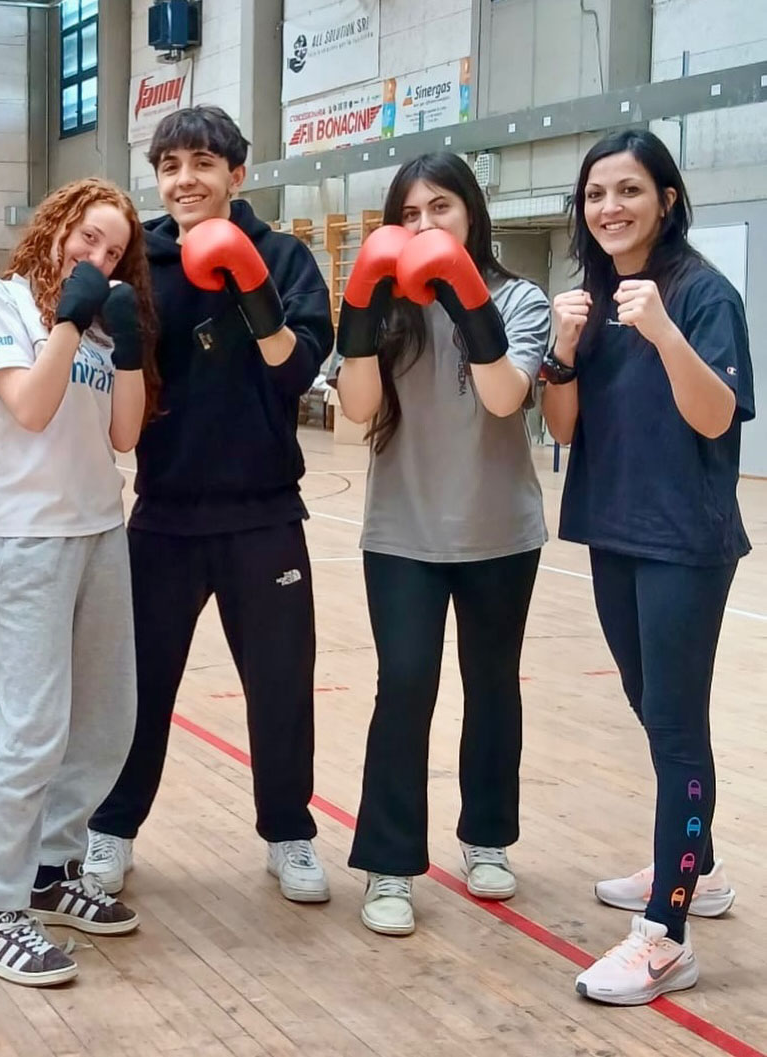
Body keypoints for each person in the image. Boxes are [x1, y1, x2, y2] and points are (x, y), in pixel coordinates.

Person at [85, 106, 335, 905]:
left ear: (237, 172)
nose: (184, 179)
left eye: (201, 162)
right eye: (170, 167)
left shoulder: (284, 257)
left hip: (265, 512)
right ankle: (111, 827)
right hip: (163, 513)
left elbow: (298, 373)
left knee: (281, 682)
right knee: (136, 683)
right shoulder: (139, 263)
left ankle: (289, 833)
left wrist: (249, 283)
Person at [543, 129, 753, 1005]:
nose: (610, 208)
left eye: (628, 190)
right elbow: (562, 429)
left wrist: (664, 332)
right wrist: (560, 350)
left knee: (674, 727)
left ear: (666, 199)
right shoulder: (592, 298)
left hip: (684, 542)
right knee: (652, 708)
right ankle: (694, 866)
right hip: (613, 530)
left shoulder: (703, 294)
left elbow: (716, 417)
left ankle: (668, 933)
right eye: (596, 194)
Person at [335, 152, 550, 937]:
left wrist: (465, 297)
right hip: (403, 532)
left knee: (492, 684)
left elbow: (505, 396)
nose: (424, 225)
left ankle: (487, 836)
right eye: (409, 214)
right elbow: (358, 408)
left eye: (440, 209)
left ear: (471, 214)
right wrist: (362, 313)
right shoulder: (388, 306)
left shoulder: (520, 300)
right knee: (404, 684)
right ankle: (389, 864)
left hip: (499, 532)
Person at [0, 177, 160, 987]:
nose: (99, 256)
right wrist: (70, 321)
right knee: (33, 726)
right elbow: (31, 409)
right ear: (54, 228)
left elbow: (124, 434)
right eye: (88, 237)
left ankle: (50, 868)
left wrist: (129, 346)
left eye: (115, 250)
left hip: (100, 529)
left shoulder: (103, 325)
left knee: (107, 720)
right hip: (27, 538)